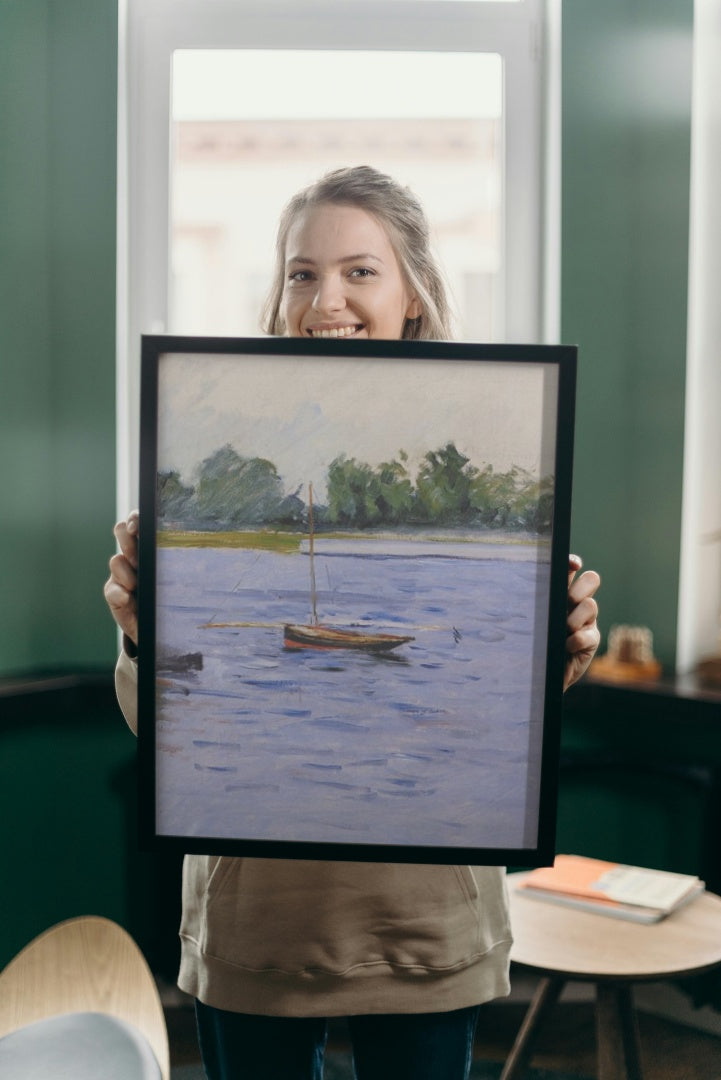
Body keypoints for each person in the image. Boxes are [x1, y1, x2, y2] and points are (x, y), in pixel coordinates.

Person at [105, 166, 601, 1080]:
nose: (324, 297)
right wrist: (143, 634)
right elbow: (166, 723)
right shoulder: (204, 435)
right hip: (255, 923)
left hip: (426, 922)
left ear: (413, 292)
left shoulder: (502, 433)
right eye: (301, 272)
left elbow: (496, 727)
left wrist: (558, 653)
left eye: (359, 271)